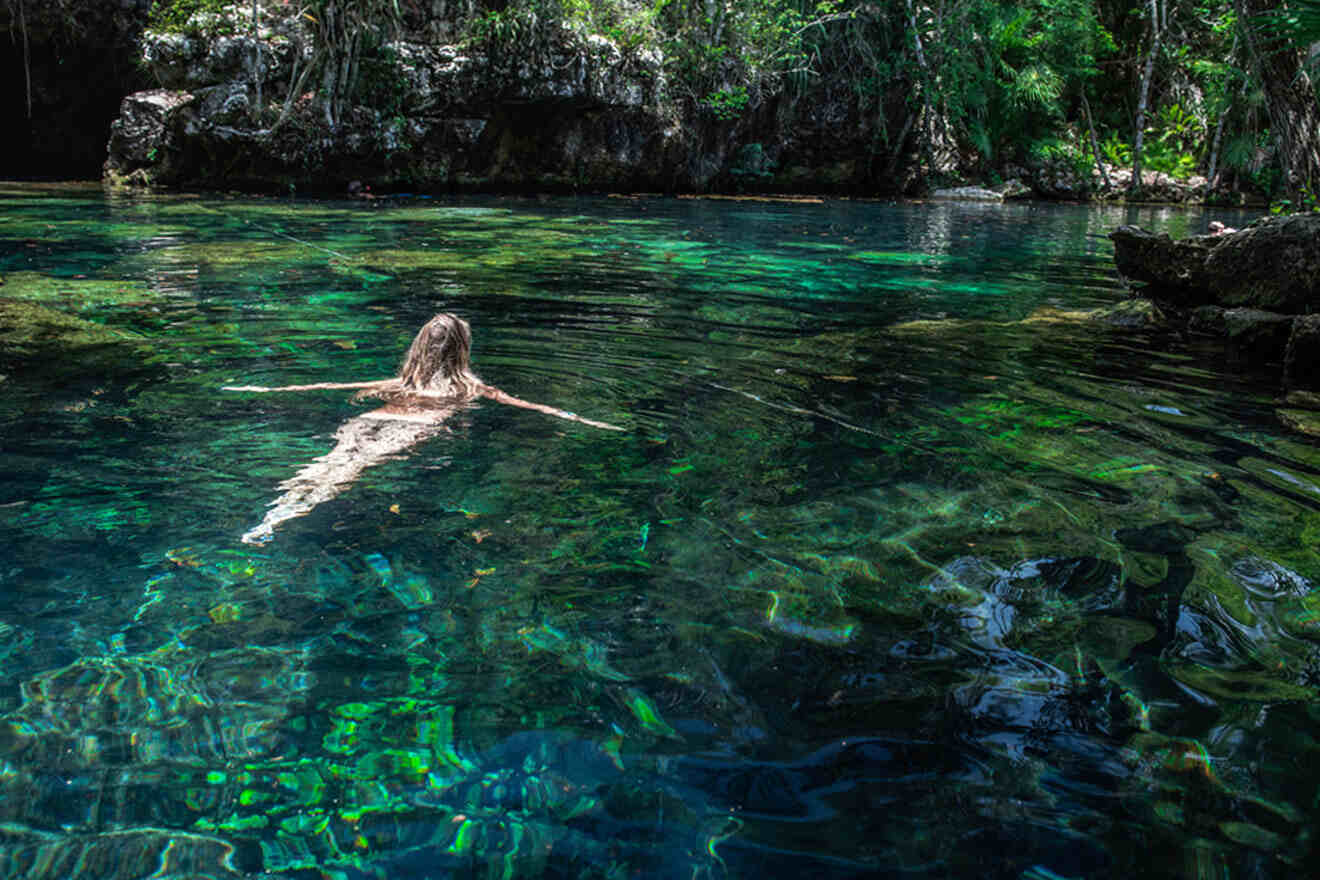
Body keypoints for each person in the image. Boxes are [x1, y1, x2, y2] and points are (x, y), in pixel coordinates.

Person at [224, 313, 621, 544]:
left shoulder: (403, 382)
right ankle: (275, 521)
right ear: (461, 349)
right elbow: (533, 406)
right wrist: (580, 418)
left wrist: (268, 387)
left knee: (331, 461)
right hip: (411, 428)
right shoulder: (470, 387)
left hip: (374, 417)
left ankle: (277, 510)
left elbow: (329, 385)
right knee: (350, 471)